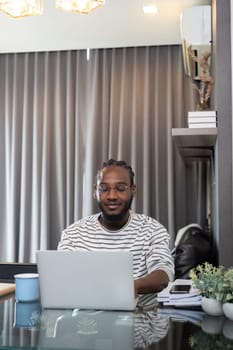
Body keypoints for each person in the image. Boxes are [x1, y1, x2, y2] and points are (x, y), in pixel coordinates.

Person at [58, 159, 174, 305]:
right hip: (86, 323)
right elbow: (60, 277)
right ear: (95, 191)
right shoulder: (74, 234)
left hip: (141, 321)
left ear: (133, 190)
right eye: (104, 188)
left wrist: (132, 287)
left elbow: (164, 274)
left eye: (120, 188)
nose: (112, 196)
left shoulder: (152, 230)